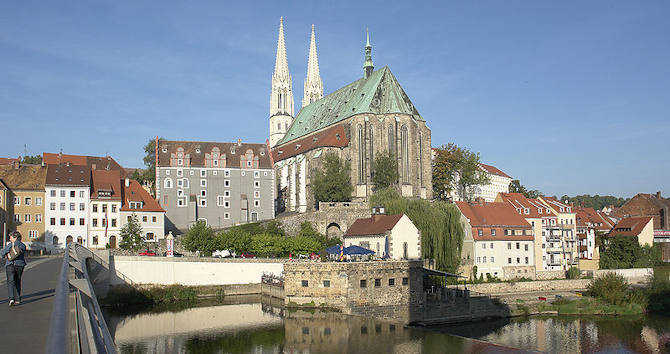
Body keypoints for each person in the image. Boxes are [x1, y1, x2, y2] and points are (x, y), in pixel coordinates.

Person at [2, 231, 27, 306]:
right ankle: (18, 299)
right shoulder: (23, 245)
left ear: (15, 237)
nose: (10, 238)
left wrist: (4, 254)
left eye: (11, 237)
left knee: (10, 282)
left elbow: (3, 252)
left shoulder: (11, 245)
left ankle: (11, 298)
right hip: (20, 265)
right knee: (17, 281)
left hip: (10, 265)